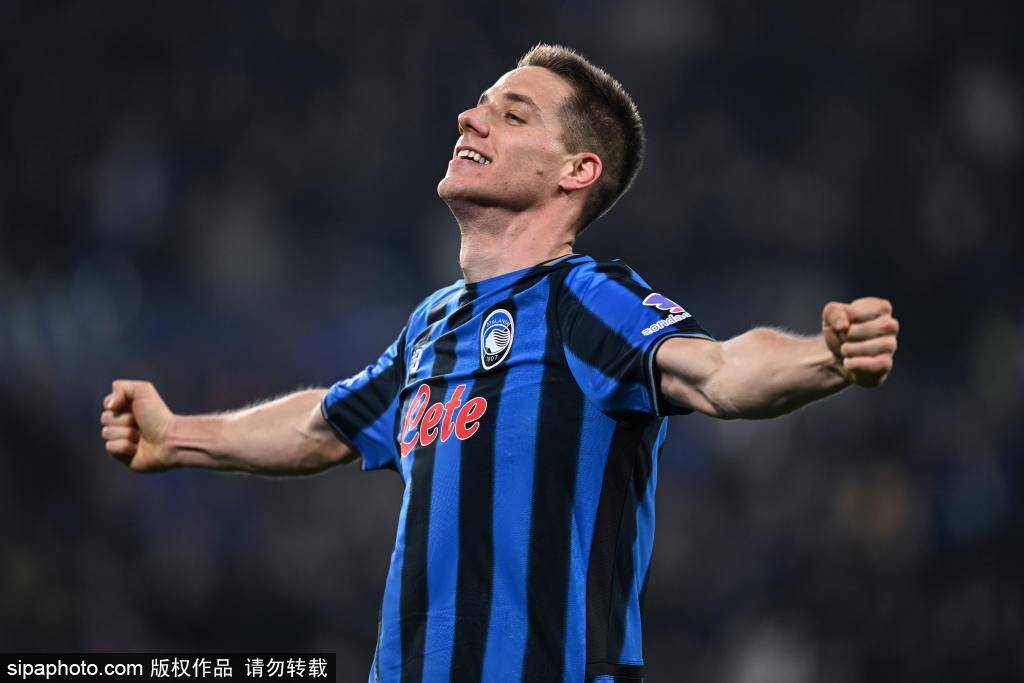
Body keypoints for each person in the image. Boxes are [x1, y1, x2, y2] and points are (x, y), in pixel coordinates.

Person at [100, 44, 899, 683]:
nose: (470, 118)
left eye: (511, 114)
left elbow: (718, 370)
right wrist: (179, 437)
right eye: (480, 105)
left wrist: (825, 357)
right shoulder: (432, 326)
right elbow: (325, 424)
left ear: (576, 171)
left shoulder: (584, 300)